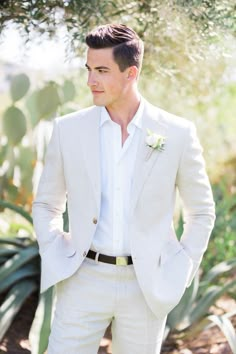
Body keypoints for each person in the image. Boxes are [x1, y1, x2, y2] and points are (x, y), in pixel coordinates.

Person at [32, 23, 215, 354]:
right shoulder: (68, 130)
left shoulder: (177, 133)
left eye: (102, 70)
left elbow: (201, 211)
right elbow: (47, 204)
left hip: (146, 285)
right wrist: (57, 250)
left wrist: (180, 268)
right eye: (89, 69)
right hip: (83, 277)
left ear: (131, 73)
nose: (91, 81)